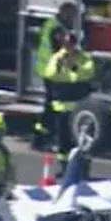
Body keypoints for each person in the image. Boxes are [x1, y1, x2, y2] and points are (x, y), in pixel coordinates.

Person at [42, 32, 96, 176]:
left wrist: (73, 69)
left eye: (71, 44)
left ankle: (83, 169)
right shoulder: (57, 58)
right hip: (61, 107)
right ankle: (65, 168)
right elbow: (50, 74)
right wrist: (61, 68)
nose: (69, 48)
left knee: (82, 141)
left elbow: (88, 73)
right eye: (66, 44)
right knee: (63, 141)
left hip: (79, 109)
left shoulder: (83, 58)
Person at [32, 2, 80, 150]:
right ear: (65, 14)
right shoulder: (57, 29)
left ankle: (41, 137)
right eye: (72, 16)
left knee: (50, 105)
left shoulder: (51, 24)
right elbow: (61, 51)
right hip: (51, 71)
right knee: (53, 107)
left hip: (48, 70)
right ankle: (42, 139)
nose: (73, 20)